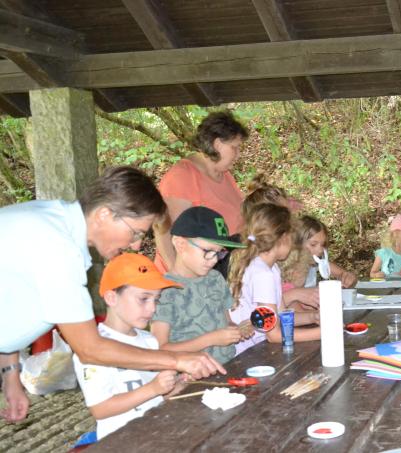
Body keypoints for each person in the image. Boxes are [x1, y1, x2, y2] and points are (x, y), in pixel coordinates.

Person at [0, 166, 223, 423]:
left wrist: (11, 376)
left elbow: (11, 304)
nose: (137, 244)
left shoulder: (51, 219)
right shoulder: (58, 248)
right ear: (104, 214)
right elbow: (90, 349)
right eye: (136, 232)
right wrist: (176, 360)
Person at [73, 254, 186, 440]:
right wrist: (153, 388)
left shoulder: (149, 340)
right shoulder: (93, 348)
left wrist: (176, 385)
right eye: (143, 299)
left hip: (156, 433)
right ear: (111, 297)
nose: (152, 308)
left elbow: (157, 395)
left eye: (156, 300)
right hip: (121, 442)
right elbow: (100, 409)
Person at [150, 207, 252, 365]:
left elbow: (226, 322)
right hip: (190, 378)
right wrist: (212, 339)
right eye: (208, 251)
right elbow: (160, 349)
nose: (214, 260)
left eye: (219, 252)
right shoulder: (165, 290)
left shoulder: (216, 278)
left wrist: (236, 331)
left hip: (229, 365)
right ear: (180, 244)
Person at [155, 111, 250, 273]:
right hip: (193, 277)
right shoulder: (182, 177)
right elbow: (165, 234)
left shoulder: (224, 175)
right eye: (235, 147)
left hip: (220, 269)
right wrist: (179, 277)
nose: (239, 154)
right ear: (217, 144)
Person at [229, 203, 320, 353]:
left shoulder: (271, 267)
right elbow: (274, 335)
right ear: (283, 238)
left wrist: (313, 317)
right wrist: (321, 333)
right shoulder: (262, 274)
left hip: (260, 347)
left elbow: (282, 317)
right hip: (250, 353)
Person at [282, 215, 357, 310]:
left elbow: (344, 274)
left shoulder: (317, 262)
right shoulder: (287, 270)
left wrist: (349, 278)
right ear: (296, 243)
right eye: (313, 244)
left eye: (323, 245)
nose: (320, 250)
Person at [370, 214, 401, 282]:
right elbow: (372, 273)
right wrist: (377, 275)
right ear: (395, 234)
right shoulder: (384, 253)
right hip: (385, 291)